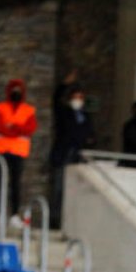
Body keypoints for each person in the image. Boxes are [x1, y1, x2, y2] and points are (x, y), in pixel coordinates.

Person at [50, 71, 95, 230]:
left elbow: (90, 135)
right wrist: (65, 84)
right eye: (75, 97)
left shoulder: (85, 117)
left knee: (75, 191)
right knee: (58, 190)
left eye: (80, 98)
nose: (78, 100)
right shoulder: (64, 113)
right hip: (63, 154)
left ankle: (72, 222)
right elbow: (55, 99)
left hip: (78, 156)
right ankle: (55, 220)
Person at [0, 78, 38, 221]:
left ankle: (14, 215)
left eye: (18, 90)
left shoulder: (28, 110)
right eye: (14, 89)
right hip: (1, 150)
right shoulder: (0, 108)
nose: (16, 92)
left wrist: (12, 127)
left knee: (16, 184)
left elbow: (30, 128)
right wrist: (17, 130)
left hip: (18, 152)